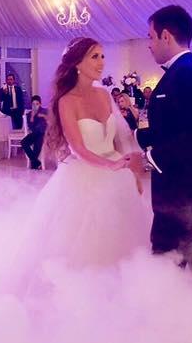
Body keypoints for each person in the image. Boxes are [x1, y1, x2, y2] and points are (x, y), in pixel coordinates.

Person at [25, 37, 147, 268]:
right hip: (85, 174)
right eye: (94, 57)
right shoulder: (67, 101)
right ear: (77, 63)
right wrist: (110, 165)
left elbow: (120, 138)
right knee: (87, 241)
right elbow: (78, 148)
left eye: (102, 56)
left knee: (121, 236)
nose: (101, 62)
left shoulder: (105, 95)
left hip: (117, 171)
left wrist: (132, 172)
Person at [136, 5, 192, 284]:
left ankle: (191, 308)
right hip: (180, 189)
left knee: (177, 262)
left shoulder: (188, 75)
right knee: (187, 264)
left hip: (187, 190)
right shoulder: (179, 73)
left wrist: (146, 160)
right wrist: (133, 137)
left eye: (150, 37)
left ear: (166, 36)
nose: (149, 44)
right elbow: (169, 130)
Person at [22, 95, 48, 170]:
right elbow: (31, 127)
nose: (35, 106)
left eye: (37, 104)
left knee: (38, 143)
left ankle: (34, 163)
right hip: (34, 133)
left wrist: (44, 116)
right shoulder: (29, 114)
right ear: (31, 104)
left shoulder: (44, 111)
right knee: (24, 142)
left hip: (43, 133)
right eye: (33, 104)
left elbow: (51, 121)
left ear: (40, 104)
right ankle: (36, 163)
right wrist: (32, 117)